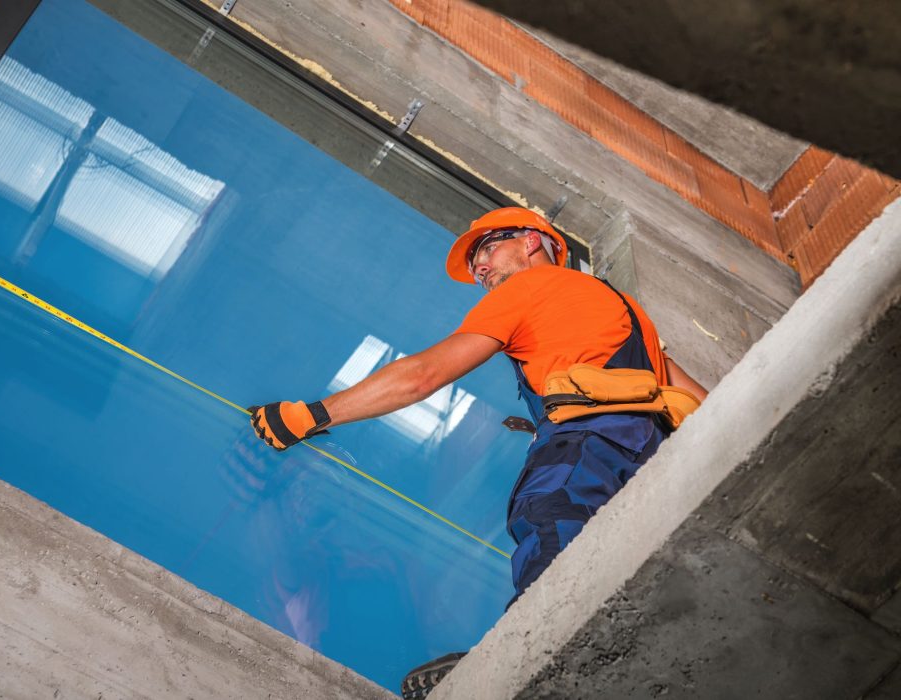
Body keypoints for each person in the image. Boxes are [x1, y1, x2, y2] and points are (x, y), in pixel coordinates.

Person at [248, 207, 707, 697]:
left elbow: (424, 375)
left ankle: (527, 658)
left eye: (487, 249)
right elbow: (701, 404)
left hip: (587, 439)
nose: (480, 269)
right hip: (648, 453)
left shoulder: (527, 289)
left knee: (551, 516)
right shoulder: (625, 309)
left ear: (533, 241)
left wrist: (311, 415)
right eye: (475, 265)